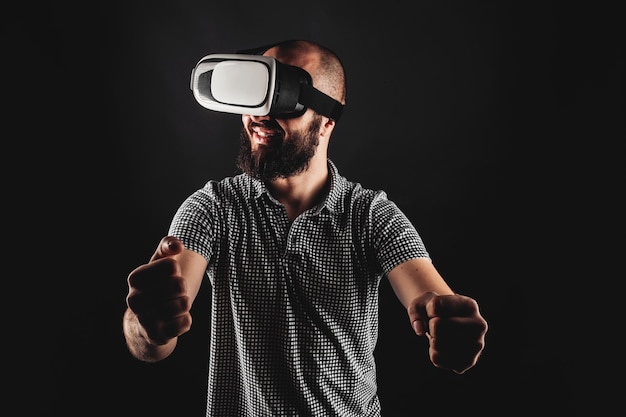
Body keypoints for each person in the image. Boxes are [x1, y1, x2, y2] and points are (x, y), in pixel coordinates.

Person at [123, 39, 488, 416]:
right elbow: (150, 341)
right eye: (254, 95)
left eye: (282, 98)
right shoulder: (213, 209)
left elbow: (431, 298)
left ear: (328, 119)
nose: (260, 115)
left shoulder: (371, 217)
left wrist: (449, 325)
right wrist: (148, 325)